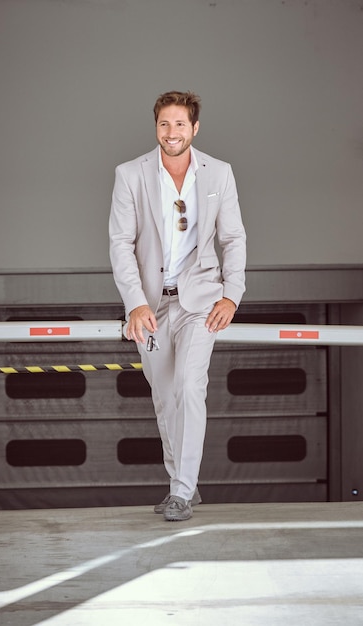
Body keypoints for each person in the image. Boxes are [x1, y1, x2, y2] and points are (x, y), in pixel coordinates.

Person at [109, 91, 246, 521]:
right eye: (165, 124)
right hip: (150, 306)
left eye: (180, 125)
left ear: (195, 128)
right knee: (165, 398)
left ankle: (181, 493)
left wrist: (231, 294)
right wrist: (134, 303)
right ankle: (182, 485)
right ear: (156, 127)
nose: (172, 133)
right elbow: (120, 244)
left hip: (200, 300)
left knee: (189, 385)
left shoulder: (219, 173)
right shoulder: (130, 174)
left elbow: (233, 238)